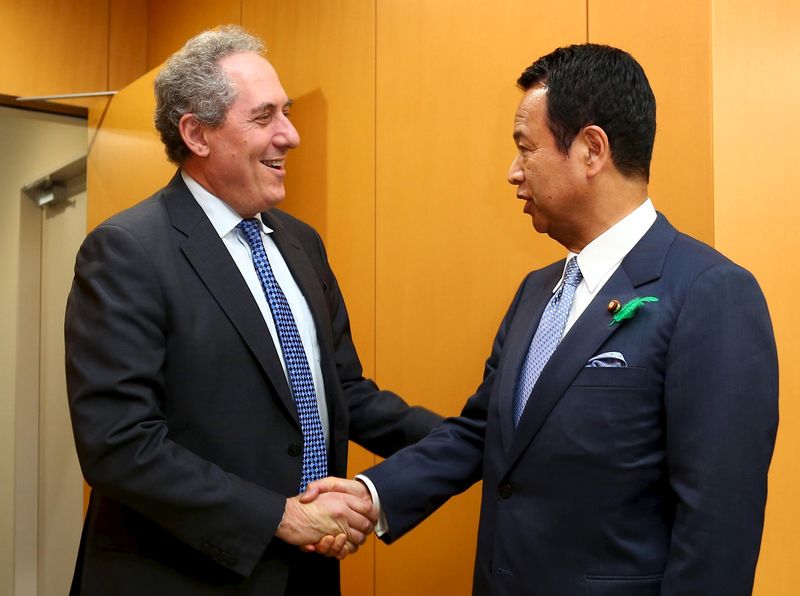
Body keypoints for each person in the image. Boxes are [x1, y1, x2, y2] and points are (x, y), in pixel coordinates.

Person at [305, 44, 779, 595]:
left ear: (591, 149)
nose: (513, 173)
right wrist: (371, 494)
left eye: (525, 149)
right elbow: (484, 432)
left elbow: (718, 529)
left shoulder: (710, 293)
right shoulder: (537, 292)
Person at [64, 25, 441, 595]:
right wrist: (281, 517)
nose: (290, 135)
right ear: (196, 133)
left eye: (287, 113)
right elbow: (119, 445)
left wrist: (472, 442)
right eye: (264, 118)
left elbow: (344, 392)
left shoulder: (300, 243)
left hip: (305, 574)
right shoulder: (128, 250)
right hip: (181, 575)